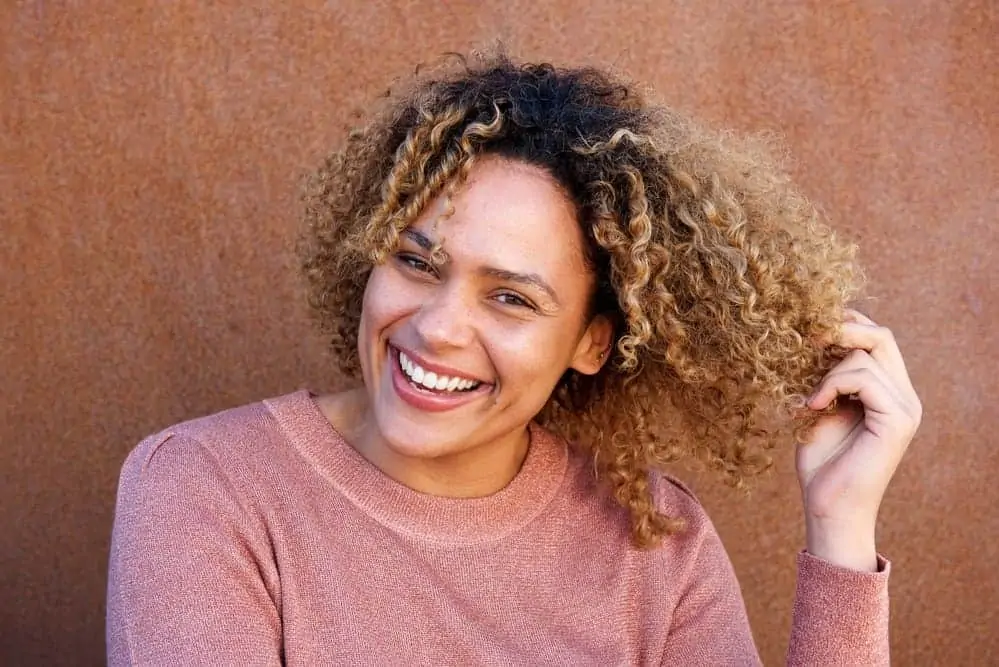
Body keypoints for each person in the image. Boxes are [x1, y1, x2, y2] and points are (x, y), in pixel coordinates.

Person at [106, 52, 921, 666]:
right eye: (416, 262)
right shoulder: (202, 487)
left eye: (511, 298)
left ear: (593, 342)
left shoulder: (656, 542)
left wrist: (839, 526)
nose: (437, 328)